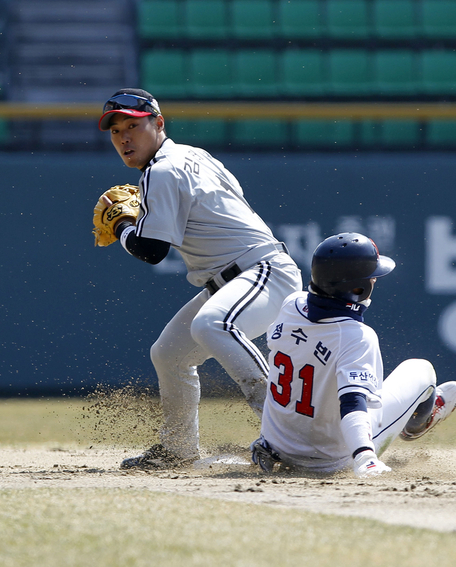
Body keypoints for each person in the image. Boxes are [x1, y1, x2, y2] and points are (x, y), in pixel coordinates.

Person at [96, 88, 303, 469]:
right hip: (237, 278)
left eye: (133, 125)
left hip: (261, 272)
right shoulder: (191, 154)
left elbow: (152, 250)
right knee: (170, 354)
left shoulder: (162, 169)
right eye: (115, 130)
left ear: (158, 123)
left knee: (215, 323)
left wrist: (124, 225)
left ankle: (288, 435)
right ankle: (178, 449)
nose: (124, 137)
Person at [251, 232, 456, 477]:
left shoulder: (291, 305)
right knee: (421, 369)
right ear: (357, 288)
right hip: (330, 459)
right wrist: (365, 457)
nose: (375, 280)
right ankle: (414, 424)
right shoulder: (357, 336)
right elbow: (353, 404)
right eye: (371, 276)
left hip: (275, 447)